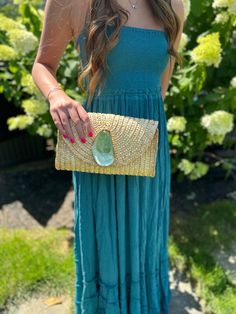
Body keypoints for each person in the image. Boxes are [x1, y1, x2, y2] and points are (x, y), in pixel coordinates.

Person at [32, 0, 185, 312]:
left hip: (147, 137)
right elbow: (42, 65)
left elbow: (162, 82)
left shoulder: (172, 5)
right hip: (100, 142)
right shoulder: (72, 2)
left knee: (145, 227)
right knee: (106, 229)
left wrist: (142, 130)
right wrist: (57, 95)